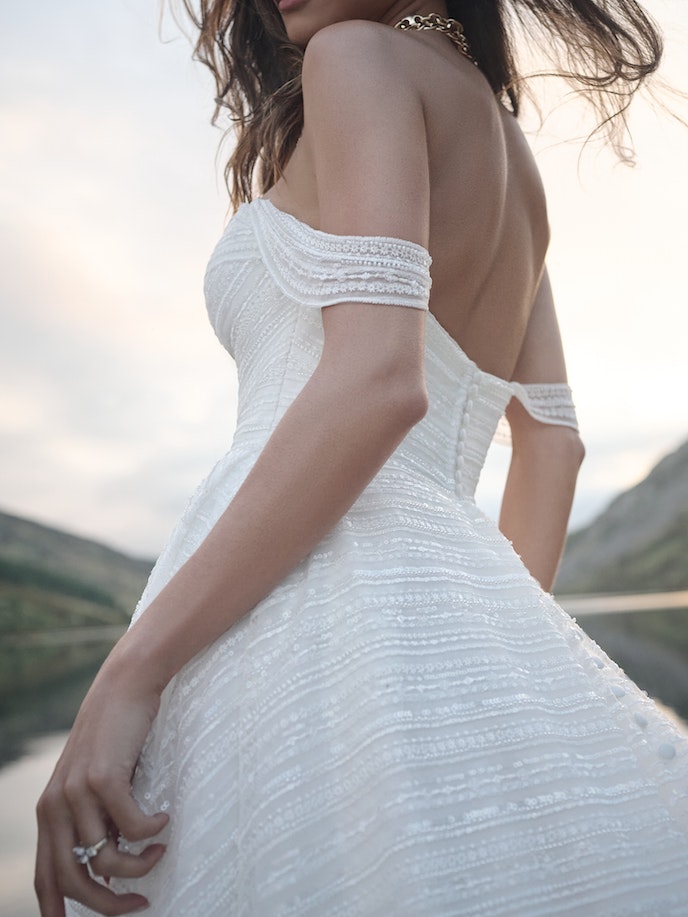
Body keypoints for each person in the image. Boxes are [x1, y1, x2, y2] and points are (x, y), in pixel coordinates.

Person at [35, 1, 688, 915]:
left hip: (293, 617)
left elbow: (377, 381)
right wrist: (475, 652)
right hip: (416, 609)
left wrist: (129, 672)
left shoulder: (355, 57)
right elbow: (555, 444)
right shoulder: (515, 160)